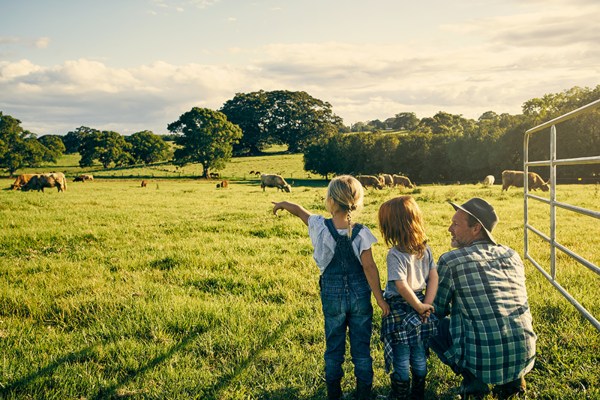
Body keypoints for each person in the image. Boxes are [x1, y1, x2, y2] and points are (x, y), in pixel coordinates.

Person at [272, 175, 390, 400]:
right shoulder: (361, 232)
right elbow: (369, 267)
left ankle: (334, 394)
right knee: (362, 348)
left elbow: (299, 211)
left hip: (332, 294)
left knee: (334, 346)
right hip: (360, 295)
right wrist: (380, 298)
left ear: (330, 201)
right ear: (356, 201)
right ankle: (364, 394)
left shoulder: (319, 226)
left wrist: (283, 204)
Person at [431, 198, 537, 399]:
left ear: (476, 228)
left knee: (426, 321)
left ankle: (473, 380)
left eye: (455, 224)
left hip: (483, 361)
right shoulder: (512, 255)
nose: (449, 229)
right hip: (524, 357)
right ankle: (513, 380)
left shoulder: (451, 261)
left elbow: (437, 308)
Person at [377, 196, 439, 400]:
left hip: (401, 309)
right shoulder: (425, 249)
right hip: (421, 304)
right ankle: (418, 393)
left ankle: (400, 395)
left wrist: (420, 305)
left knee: (402, 355)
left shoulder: (395, 254)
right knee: (419, 352)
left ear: (392, 227)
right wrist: (426, 304)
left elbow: (400, 285)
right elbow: (433, 277)